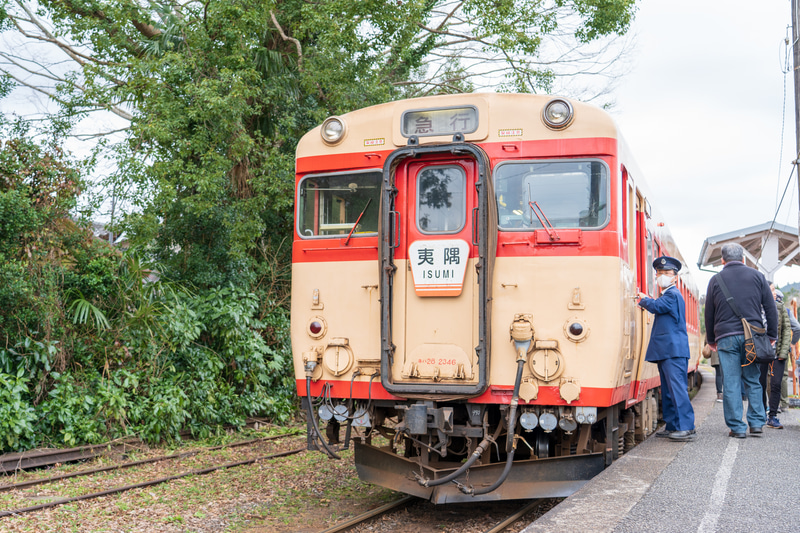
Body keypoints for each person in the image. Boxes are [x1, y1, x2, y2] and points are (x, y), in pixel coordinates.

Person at [705, 243, 778, 438]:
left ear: (722, 260)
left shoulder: (715, 279)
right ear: (743, 259)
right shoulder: (757, 277)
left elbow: (709, 313)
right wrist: (771, 335)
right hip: (752, 338)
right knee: (753, 379)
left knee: (731, 382)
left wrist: (711, 339)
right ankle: (756, 423)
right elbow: (770, 308)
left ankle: (737, 427)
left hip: (726, 337)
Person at [638, 256, 695, 441]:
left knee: (677, 389)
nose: (661, 276)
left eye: (666, 273)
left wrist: (643, 299)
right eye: (659, 273)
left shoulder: (673, 295)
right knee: (669, 390)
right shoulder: (669, 294)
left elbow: (656, 306)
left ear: (674, 277)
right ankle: (672, 426)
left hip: (673, 352)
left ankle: (686, 427)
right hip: (667, 351)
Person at [759, 285, 791, 429]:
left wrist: (783, 353)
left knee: (776, 384)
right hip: (761, 352)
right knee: (760, 384)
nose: (773, 293)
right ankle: (760, 414)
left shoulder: (780, 307)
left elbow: (787, 330)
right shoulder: (756, 308)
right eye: (770, 290)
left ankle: (772, 416)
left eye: (773, 290)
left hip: (777, 353)